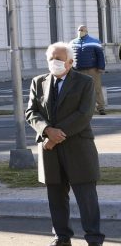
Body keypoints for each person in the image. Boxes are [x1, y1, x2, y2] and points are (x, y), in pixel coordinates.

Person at [26, 42, 105, 246]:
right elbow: (31, 112)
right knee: (56, 197)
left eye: (59, 59)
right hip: (49, 149)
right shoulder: (38, 82)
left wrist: (56, 135)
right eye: (51, 58)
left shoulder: (85, 82)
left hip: (78, 147)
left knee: (86, 197)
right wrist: (46, 132)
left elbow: (84, 114)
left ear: (70, 62)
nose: (55, 62)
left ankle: (94, 238)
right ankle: (61, 237)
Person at [70, 25, 107, 115]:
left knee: (96, 89)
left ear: (86, 31)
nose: (80, 31)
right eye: (79, 30)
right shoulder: (72, 42)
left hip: (92, 69)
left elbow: (100, 56)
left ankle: (101, 108)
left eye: (82, 30)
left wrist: (101, 67)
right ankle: (80, 108)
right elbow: (69, 56)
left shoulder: (94, 41)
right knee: (78, 89)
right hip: (77, 70)